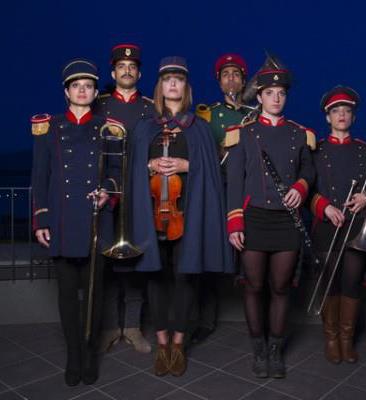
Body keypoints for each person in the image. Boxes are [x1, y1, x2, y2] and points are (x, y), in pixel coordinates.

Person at [128, 56, 232, 377]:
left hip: (187, 214)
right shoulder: (144, 127)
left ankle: (178, 343)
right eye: (167, 79)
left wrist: (188, 166)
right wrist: (149, 165)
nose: (173, 83)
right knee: (155, 278)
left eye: (179, 79)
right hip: (152, 215)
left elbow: (213, 172)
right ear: (160, 86)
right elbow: (133, 169)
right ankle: (162, 343)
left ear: (186, 86)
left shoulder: (199, 128)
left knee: (186, 278)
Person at [225, 63, 316, 379]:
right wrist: (234, 223)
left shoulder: (299, 133)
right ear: (259, 96)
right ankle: (259, 349)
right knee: (253, 286)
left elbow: (309, 170)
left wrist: (300, 187)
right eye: (269, 93)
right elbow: (235, 181)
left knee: (280, 287)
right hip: (253, 218)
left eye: (281, 93)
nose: (276, 98)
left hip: (286, 220)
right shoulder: (244, 133)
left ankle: (276, 350)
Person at [31, 59, 117, 386]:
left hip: (96, 220)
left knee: (95, 296)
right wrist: (41, 218)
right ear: (66, 92)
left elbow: (116, 173)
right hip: (63, 222)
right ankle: (73, 355)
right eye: (76, 86)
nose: (82, 90)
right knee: (67, 296)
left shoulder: (107, 128)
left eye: (88, 86)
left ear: (95, 92)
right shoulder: (49, 127)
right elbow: (40, 176)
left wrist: (107, 192)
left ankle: (90, 353)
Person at [310, 86, 366, 364]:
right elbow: (307, 189)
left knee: (351, 283)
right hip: (326, 226)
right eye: (336, 111)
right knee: (330, 283)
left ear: (353, 117)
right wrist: (324, 207)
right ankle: (331, 338)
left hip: (356, 226)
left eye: (346, 111)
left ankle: (346, 340)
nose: (341, 115)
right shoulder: (316, 150)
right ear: (327, 117)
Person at [93, 43, 154, 354]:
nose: (127, 71)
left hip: (140, 194)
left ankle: (131, 327)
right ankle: (108, 327)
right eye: (121, 67)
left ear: (139, 73)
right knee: (104, 263)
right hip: (106, 194)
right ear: (113, 72)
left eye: (132, 67)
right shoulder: (99, 106)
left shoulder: (150, 107)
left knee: (136, 263)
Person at [192, 53, 249, 344]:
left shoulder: (254, 115)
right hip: (216, 190)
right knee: (209, 255)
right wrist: (219, 150)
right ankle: (205, 320)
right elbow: (198, 149)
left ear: (243, 81)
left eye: (236, 74)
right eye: (225, 74)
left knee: (252, 255)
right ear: (218, 81)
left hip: (246, 193)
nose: (231, 79)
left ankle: (257, 321)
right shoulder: (207, 114)